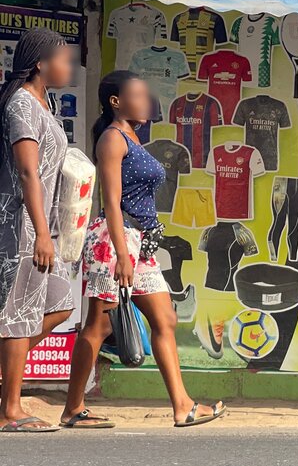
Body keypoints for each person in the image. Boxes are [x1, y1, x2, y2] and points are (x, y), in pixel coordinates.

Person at [61, 70, 225, 428]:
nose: (145, 101)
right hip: (115, 240)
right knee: (98, 327)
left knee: (165, 319)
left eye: (146, 95)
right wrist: (122, 255)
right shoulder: (112, 139)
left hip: (142, 243)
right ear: (116, 101)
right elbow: (113, 202)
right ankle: (73, 407)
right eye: (136, 95)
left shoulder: (133, 136)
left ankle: (183, 407)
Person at [0, 29, 75, 433]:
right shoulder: (21, 105)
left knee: (60, 304)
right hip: (21, 227)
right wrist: (41, 234)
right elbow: (28, 170)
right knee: (18, 315)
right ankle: (9, 410)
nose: (69, 66)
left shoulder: (44, 105)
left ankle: (6, 380)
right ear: (40, 64)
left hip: (41, 225)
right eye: (62, 59)